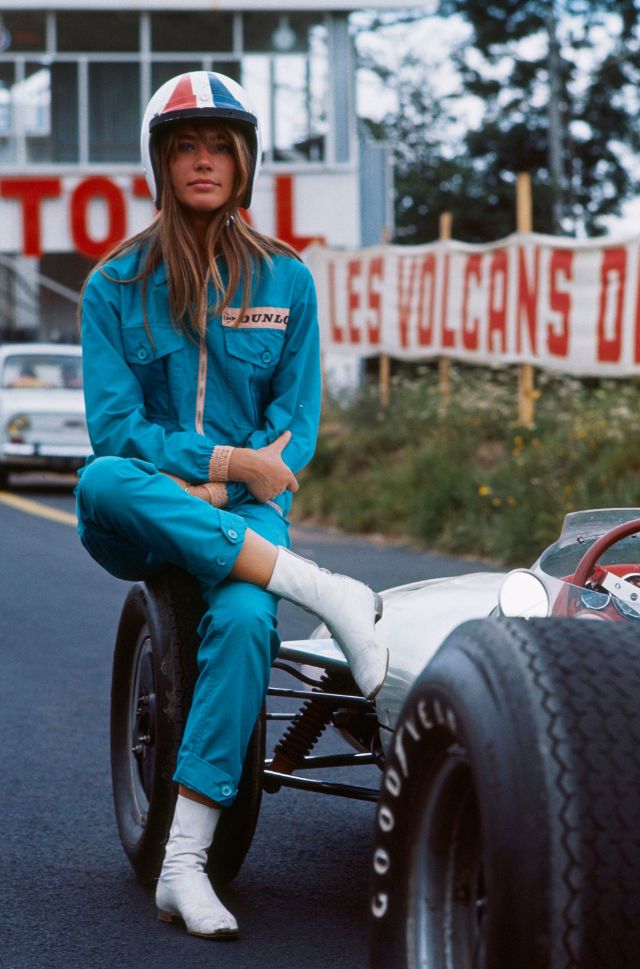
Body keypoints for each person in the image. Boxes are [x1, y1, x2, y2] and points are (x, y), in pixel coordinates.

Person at [75, 71, 388, 941]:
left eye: (221, 146)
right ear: (161, 162)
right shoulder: (114, 283)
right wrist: (220, 462)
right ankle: (326, 591)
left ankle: (184, 863)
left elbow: (295, 430)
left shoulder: (287, 279)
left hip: (241, 517)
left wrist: (221, 486)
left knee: (248, 622)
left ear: (245, 161)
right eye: (186, 146)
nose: (205, 161)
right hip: (144, 511)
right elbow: (114, 431)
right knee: (97, 480)